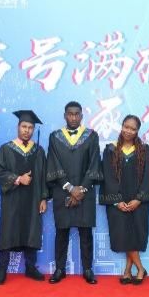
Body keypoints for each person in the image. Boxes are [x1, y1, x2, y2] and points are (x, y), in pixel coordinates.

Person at [46, 101, 102, 284]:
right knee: (61, 232)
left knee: (86, 233)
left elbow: (94, 164)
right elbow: (54, 164)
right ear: (65, 116)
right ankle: (59, 269)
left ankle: (87, 269)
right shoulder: (55, 137)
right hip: (62, 191)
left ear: (81, 116)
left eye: (77, 114)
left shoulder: (91, 136)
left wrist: (81, 189)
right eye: (70, 114)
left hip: (85, 192)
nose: (73, 117)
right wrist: (70, 188)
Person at [0, 110, 49, 285]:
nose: (27, 130)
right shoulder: (6, 149)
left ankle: (30, 268)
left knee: (32, 230)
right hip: (12, 200)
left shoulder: (38, 151)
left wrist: (43, 198)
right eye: (24, 126)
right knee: (8, 231)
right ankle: (2, 270)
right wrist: (18, 179)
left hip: (33, 199)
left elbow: (44, 176)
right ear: (18, 127)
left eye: (30, 127)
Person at [100, 115, 149, 285]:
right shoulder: (110, 150)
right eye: (126, 127)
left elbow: (148, 176)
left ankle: (128, 271)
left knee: (134, 236)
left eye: (133, 128)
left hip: (138, 202)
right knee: (123, 235)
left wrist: (139, 199)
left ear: (137, 131)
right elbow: (108, 176)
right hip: (118, 202)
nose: (128, 131)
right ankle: (140, 269)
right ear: (121, 126)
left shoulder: (144, 150)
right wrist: (116, 201)